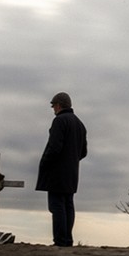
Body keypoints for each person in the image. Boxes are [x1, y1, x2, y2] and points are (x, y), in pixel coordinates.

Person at [35, 92, 87, 247]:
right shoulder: (80, 124)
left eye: (53, 106)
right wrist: (71, 161)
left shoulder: (59, 121)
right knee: (68, 204)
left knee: (56, 205)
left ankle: (60, 241)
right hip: (72, 172)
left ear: (58, 105)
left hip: (57, 172)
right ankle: (67, 240)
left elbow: (54, 147)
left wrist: (44, 162)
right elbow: (83, 152)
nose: (53, 109)